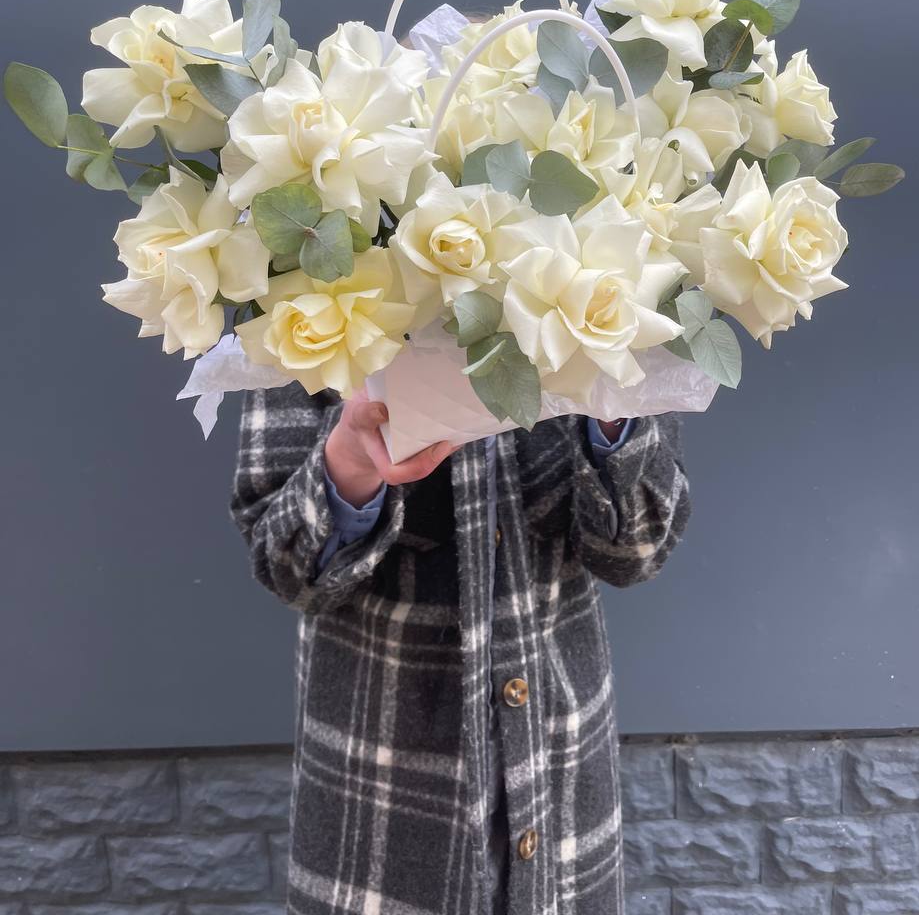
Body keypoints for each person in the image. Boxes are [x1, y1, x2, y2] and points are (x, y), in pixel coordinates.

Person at [231, 379, 691, 915]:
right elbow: (288, 571)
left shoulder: (625, 326)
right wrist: (352, 462)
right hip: (378, 766)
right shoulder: (291, 322)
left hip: (559, 751)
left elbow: (638, 550)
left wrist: (613, 399)